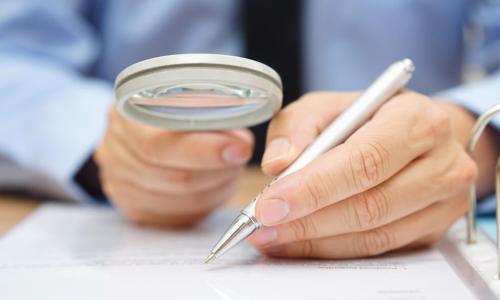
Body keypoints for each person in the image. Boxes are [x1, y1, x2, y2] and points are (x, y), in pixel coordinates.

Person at [0, 0, 499, 259]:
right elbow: (12, 54)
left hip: (423, 198)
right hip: (119, 197)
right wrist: (100, 145)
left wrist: (467, 136)